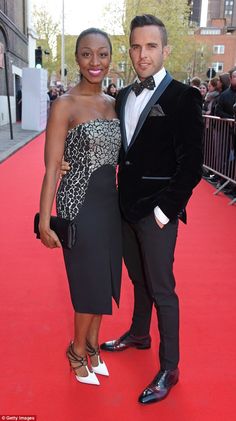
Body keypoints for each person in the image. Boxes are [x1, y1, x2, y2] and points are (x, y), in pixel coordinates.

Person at [62, 14, 203, 404]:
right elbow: (114, 148)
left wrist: (164, 212)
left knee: (162, 289)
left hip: (157, 214)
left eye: (151, 46)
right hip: (122, 210)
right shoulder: (123, 95)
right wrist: (66, 159)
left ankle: (169, 367)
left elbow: (192, 165)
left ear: (166, 50)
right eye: (137, 46)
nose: (143, 54)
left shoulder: (183, 97)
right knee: (137, 280)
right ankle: (139, 333)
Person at [38, 27, 122, 386]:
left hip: (111, 205)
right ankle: (74, 350)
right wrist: (44, 219)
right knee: (89, 282)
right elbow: (52, 167)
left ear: (110, 58)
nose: (95, 62)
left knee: (105, 278)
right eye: (87, 54)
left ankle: (91, 344)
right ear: (77, 58)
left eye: (102, 54)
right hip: (78, 203)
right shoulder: (64, 104)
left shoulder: (114, 104)